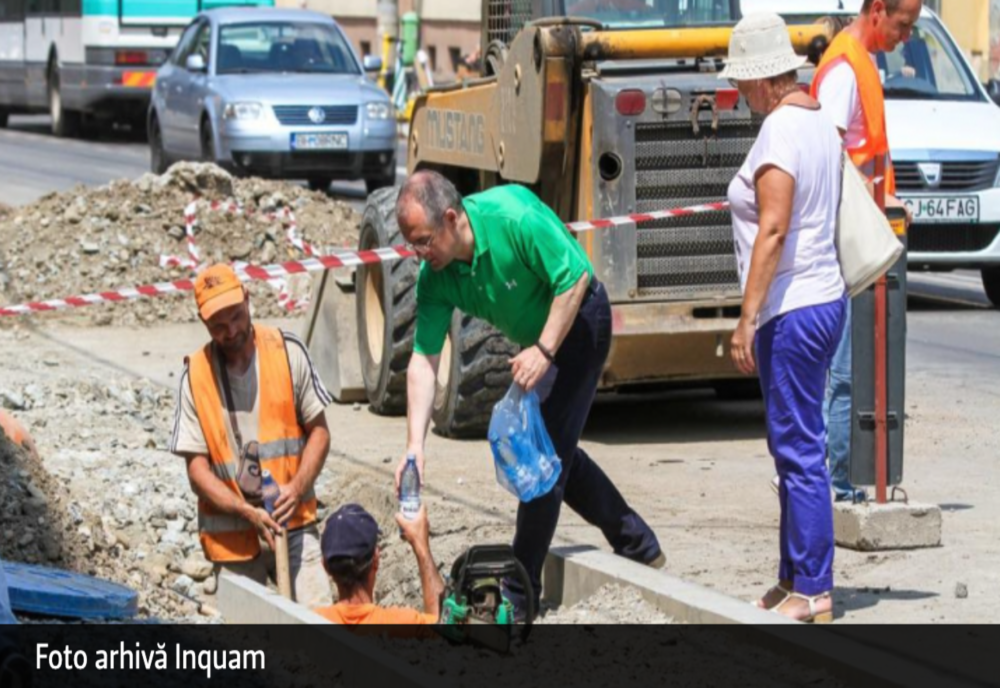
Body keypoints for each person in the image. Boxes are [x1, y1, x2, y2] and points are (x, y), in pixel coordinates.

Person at [394, 172, 664, 619]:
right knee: (557, 449)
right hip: (543, 339)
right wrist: (414, 447)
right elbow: (424, 360)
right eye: (411, 245)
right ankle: (638, 544)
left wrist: (543, 351)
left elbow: (575, 278)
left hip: (580, 322)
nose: (419, 254)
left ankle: (521, 594)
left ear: (450, 218)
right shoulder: (436, 276)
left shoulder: (512, 216)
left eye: (423, 241)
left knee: (540, 457)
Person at [723, 13, 848, 622]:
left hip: (792, 306)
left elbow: (773, 229)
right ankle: (792, 578)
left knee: (798, 449)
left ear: (763, 79)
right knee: (792, 446)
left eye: (742, 82)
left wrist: (747, 319)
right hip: (823, 298)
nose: (740, 95)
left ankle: (814, 589)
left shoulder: (778, 129)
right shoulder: (819, 119)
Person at [170, 264, 334, 607]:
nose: (231, 331)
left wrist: (297, 487)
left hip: (294, 525)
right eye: (219, 325)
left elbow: (319, 433)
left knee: (320, 624)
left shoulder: (287, 353)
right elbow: (197, 473)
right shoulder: (196, 376)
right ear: (203, 322)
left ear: (248, 299)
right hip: (232, 537)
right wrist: (246, 511)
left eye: (236, 316)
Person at [810, 0, 921, 502]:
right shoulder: (845, 71)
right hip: (845, 239)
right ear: (878, 10)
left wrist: (887, 201)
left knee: (850, 368)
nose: (906, 36)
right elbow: (829, 155)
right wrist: (876, 206)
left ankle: (830, 479)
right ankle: (832, 483)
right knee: (846, 370)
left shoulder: (863, 60)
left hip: (861, 230)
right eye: (903, 24)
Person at [314, 504, 444, 625]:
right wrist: (421, 547)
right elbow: (441, 625)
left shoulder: (312, 623)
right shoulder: (402, 624)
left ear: (325, 566)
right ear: (376, 559)